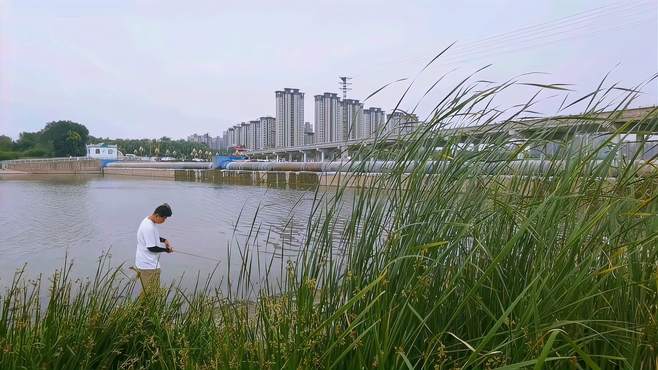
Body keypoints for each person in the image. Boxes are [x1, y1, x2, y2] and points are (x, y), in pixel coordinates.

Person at [134, 203, 174, 298]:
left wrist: (164, 240)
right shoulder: (149, 227)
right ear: (157, 215)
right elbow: (151, 248)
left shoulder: (149, 221)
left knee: (149, 292)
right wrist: (166, 250)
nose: (164, 221)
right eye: (164, 218)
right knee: (150, 294)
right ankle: (140, 312)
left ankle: (141, 311)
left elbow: (151, 237)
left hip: (145, 263)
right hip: (148, 266)